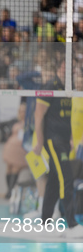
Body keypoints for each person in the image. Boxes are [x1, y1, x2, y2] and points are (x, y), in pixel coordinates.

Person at [34, 62, 83, 237]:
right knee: (66, 178)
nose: (66, 69)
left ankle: (45, 222)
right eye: (63, 66)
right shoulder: (50, 86)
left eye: (70, 67)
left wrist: (70, 137)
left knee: (55, 180)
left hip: (63, 140)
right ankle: (71, 224)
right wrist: (39, 142)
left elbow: (67, 116)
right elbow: (38, 115)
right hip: (53, 140)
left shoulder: (67, 89)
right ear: (58, 68)